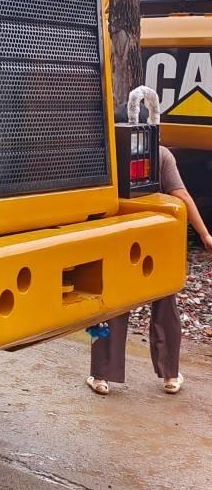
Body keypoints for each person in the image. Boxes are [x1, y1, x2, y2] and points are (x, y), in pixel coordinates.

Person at [88, 145, 212, 396]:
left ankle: (102, 377)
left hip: (120, 238)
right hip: (157, 239)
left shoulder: (108, 152)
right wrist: (204, 234)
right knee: (166, 302)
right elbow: (182, 197)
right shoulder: (161, 154)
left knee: (113, 303)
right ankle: (170, 375)